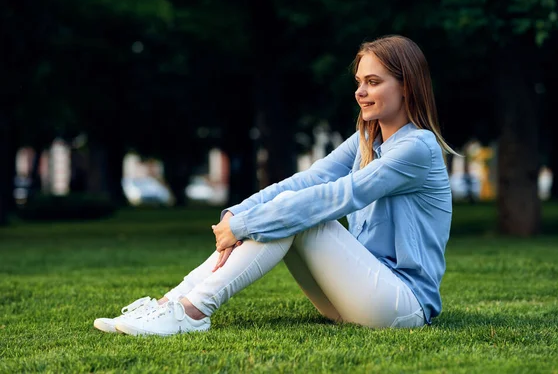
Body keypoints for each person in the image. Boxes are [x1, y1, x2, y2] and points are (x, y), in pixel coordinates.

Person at [93, 35, 456, 336]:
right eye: (359, 82)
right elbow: (308, 179)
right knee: (288, 208)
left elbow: (341, 195)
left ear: (407, 86)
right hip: (352, 296)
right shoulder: (364, 138)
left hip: (402, 306)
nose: (361, 92)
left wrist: (246, 225)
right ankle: (169, 305)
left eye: (373, 82)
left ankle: (191, 312)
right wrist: (239, 213)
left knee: (301, 215)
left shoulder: (416, 148)